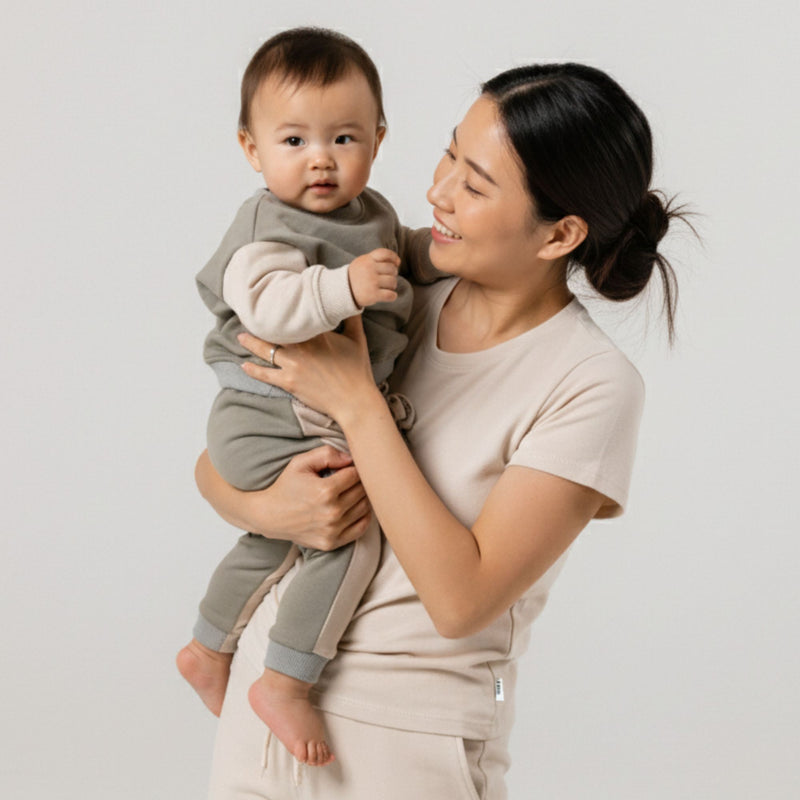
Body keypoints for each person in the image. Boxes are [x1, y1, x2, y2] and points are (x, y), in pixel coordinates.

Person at [195, 61, 686, 799]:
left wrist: (359, 404)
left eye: (475, 183)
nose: (437, 191)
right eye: (449, 153)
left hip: (410, 751)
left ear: (560, 234)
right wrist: (273, 510)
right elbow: (219, 461)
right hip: (265, 712)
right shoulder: (392, 291)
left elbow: (462, 600)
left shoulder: (589, 384)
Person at [176, 27, 438, 767]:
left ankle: (205, 645)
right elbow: (269, 306)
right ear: (251, 149)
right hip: (266, 412)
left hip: (295, 414)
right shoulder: (268, 226)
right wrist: (343, 289)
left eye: (344, 137)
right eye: (292, 139)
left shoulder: (367, 212)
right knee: (350, 533)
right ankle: (286, 680)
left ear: (378, 142)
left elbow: (400, 251)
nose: (320, 158)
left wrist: (432, 255)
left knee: (275, 539)